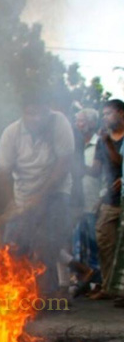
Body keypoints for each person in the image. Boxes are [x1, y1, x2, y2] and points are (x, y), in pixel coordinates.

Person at [0, 90, 75, 295]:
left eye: (41, 113)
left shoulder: (59, 123)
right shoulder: (11, 133)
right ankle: (16, 295)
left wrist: (41, 196)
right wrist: (11, 203)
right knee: (13, 246)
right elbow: (3, 172)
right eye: (31, 113)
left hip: (56, 192)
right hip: (23, 195)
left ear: (48, 111)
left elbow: (64, 164)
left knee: (46, 245)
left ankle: (47, 296)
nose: (37, 118)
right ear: (23, 113)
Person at [71, 108, 102, 294]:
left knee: (93, 243)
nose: (78, 124)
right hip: (76, 201)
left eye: (81, 121)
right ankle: (81, 280)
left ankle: (97, 283)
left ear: (92, 123)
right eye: (77, 121)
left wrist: (79, 167)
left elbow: (100, 172)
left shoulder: (100, 144)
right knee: (77, 243)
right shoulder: (74, 144)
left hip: (93, 200)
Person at [102, 99, 124, 307]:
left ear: (121, 112)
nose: (105, 118)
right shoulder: (106, 138)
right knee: (109, 242)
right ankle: (111, 288)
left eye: (108, 113)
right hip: (112, 197)